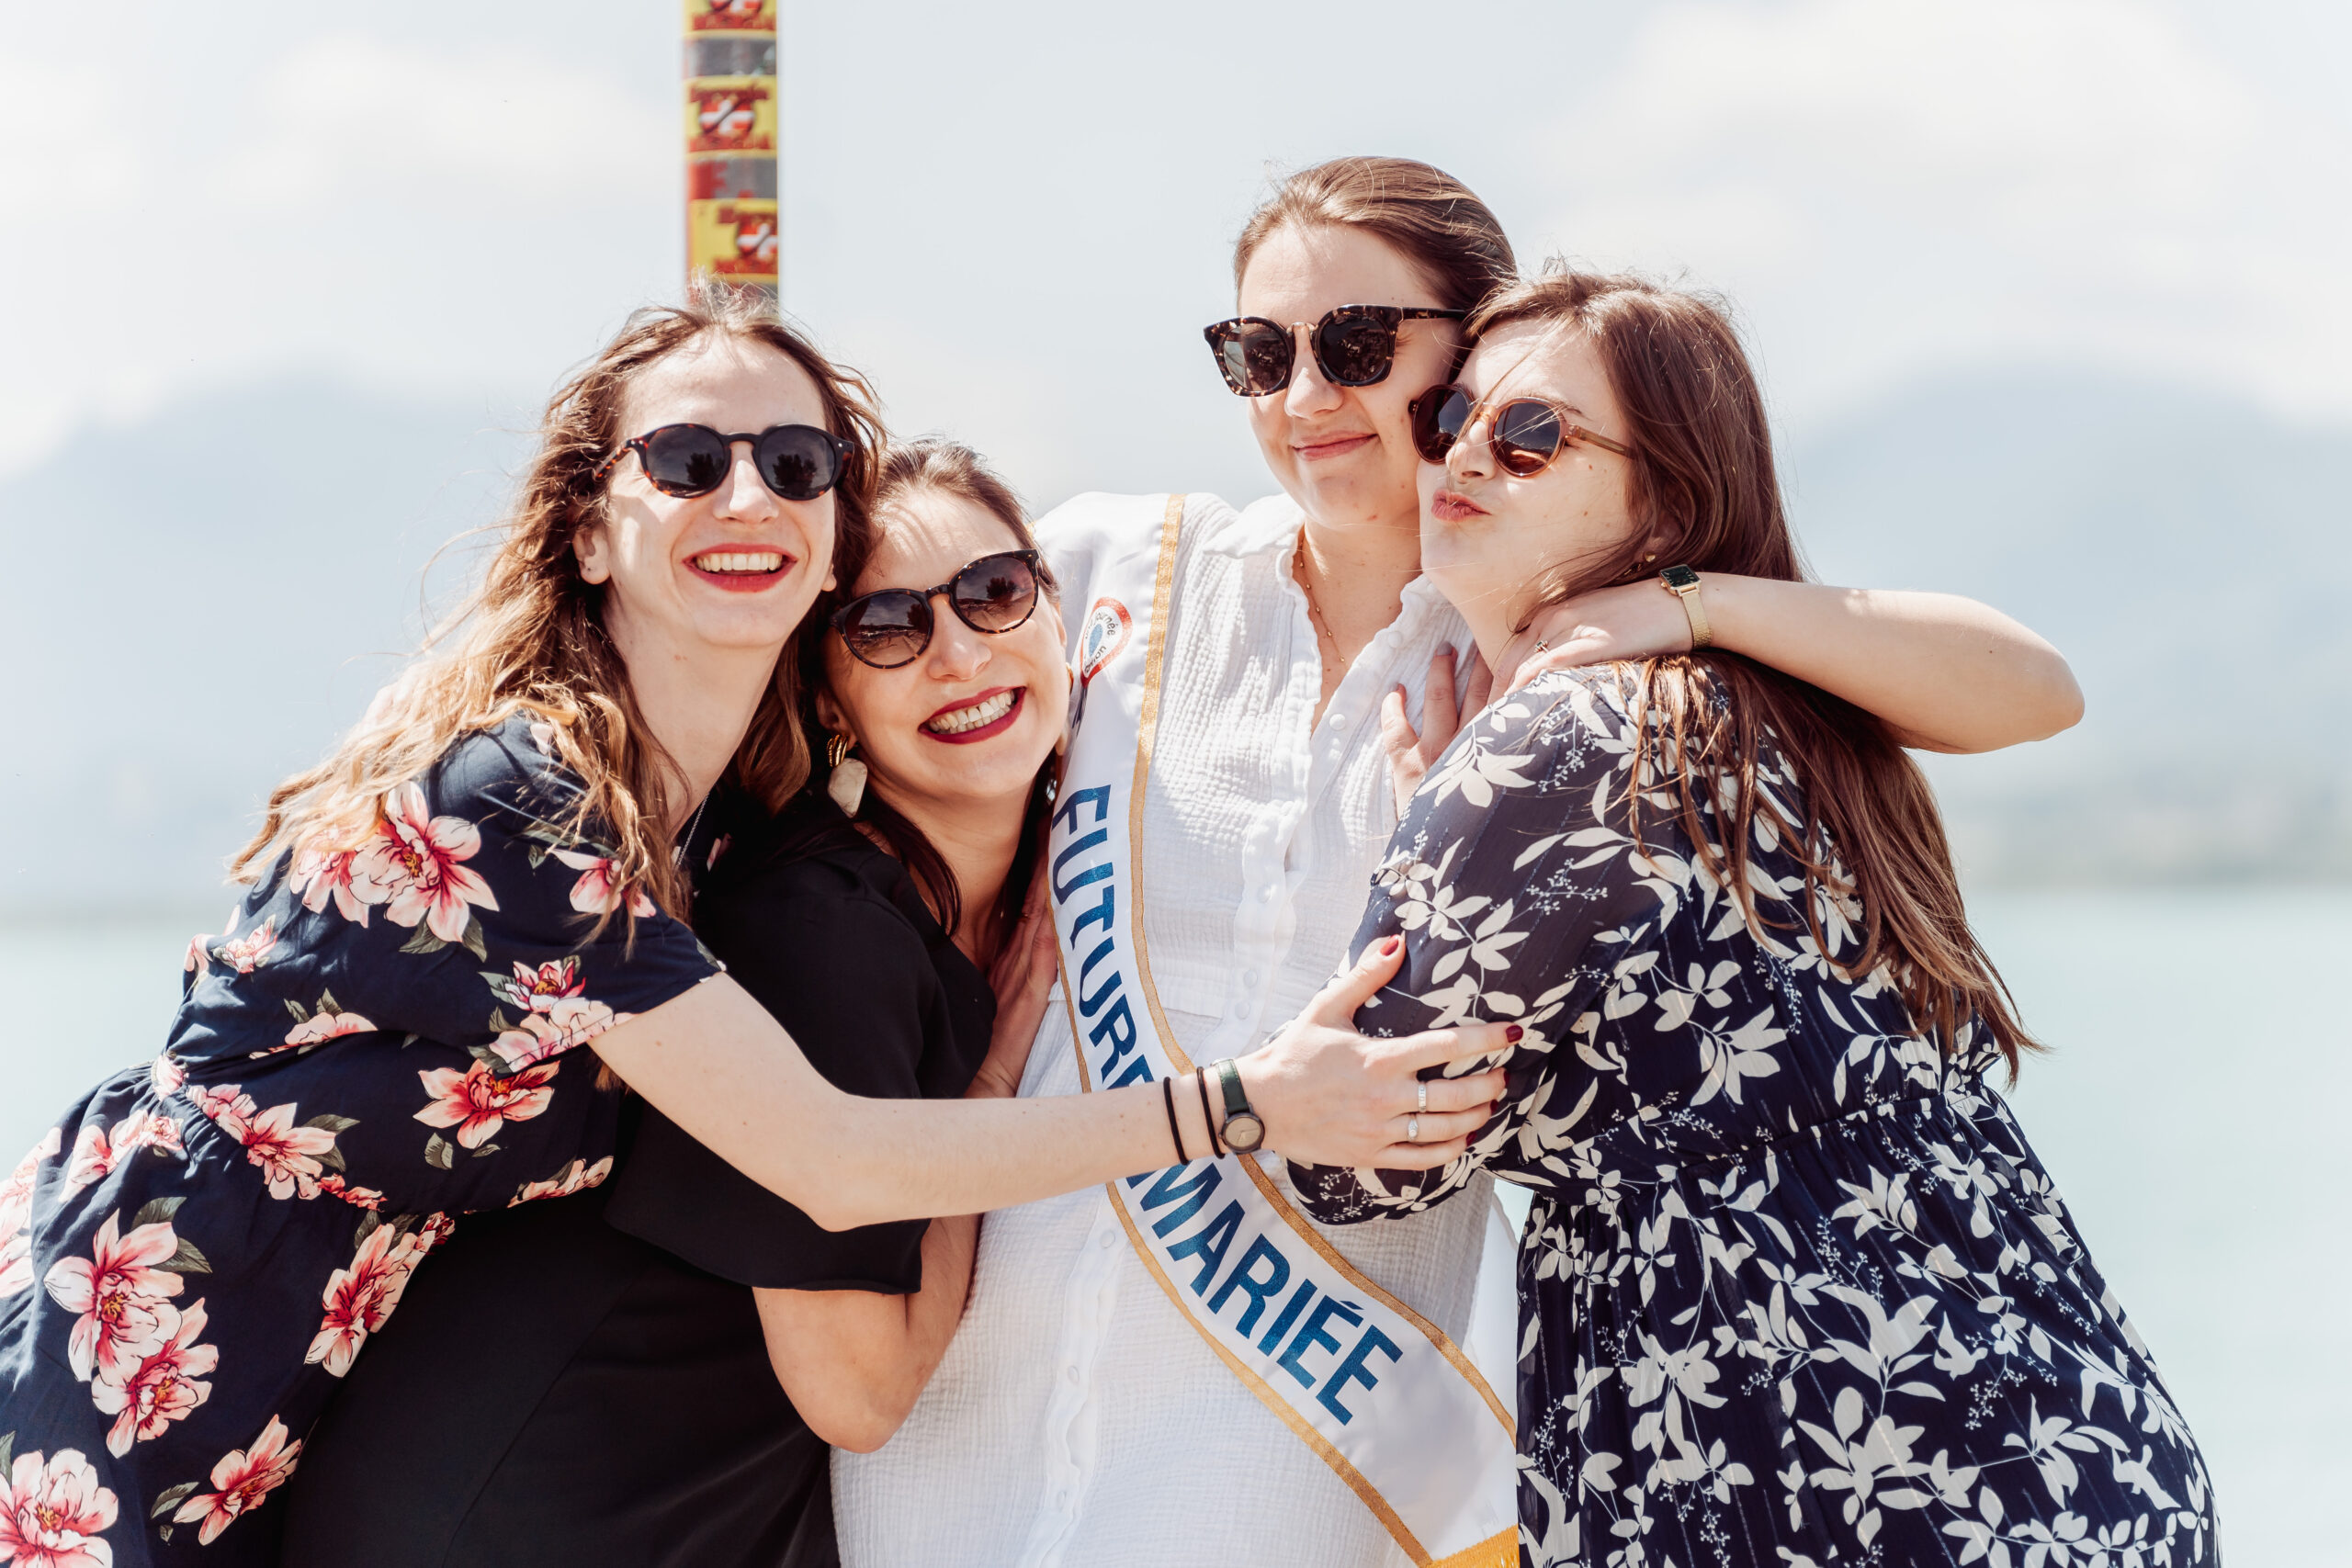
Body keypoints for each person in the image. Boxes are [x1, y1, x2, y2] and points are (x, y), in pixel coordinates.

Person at [0, 289, 1506, 1568]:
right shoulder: (533, 803)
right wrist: (1246, 1104)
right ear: (591, 529)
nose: (747, 496)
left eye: (794, 462)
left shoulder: (713, 825)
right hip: (144, 1318)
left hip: (314, 1371)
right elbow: (832, 1155)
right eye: (687, 457)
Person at [836, 158, 2086, 1568]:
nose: (1303, 397)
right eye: (1258, 354)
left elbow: (2026, 690)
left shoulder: (1550, 647)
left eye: (1358, 346)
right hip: (974, 1380)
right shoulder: (1101, 569)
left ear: (1469, 356)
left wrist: (1692, 606)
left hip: (1300, 1447)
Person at [1289, 268, 2217, 1565]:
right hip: (2070, 1444)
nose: (1468, 456)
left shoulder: (1548, 748)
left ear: (1666, 494)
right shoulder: (1777, 707)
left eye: (1534, 434)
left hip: (1802, 1469)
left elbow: (1356, 1160)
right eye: (1452, 419)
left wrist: (1429, 825)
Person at [277, 439, 1066, 1566]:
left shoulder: (1022, 891)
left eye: (995, 593)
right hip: (519, 1514)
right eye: (886, 628)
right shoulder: (824, 930)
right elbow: (860, 1391)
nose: (956, 654)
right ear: (830, 701)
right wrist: (995, 1085)